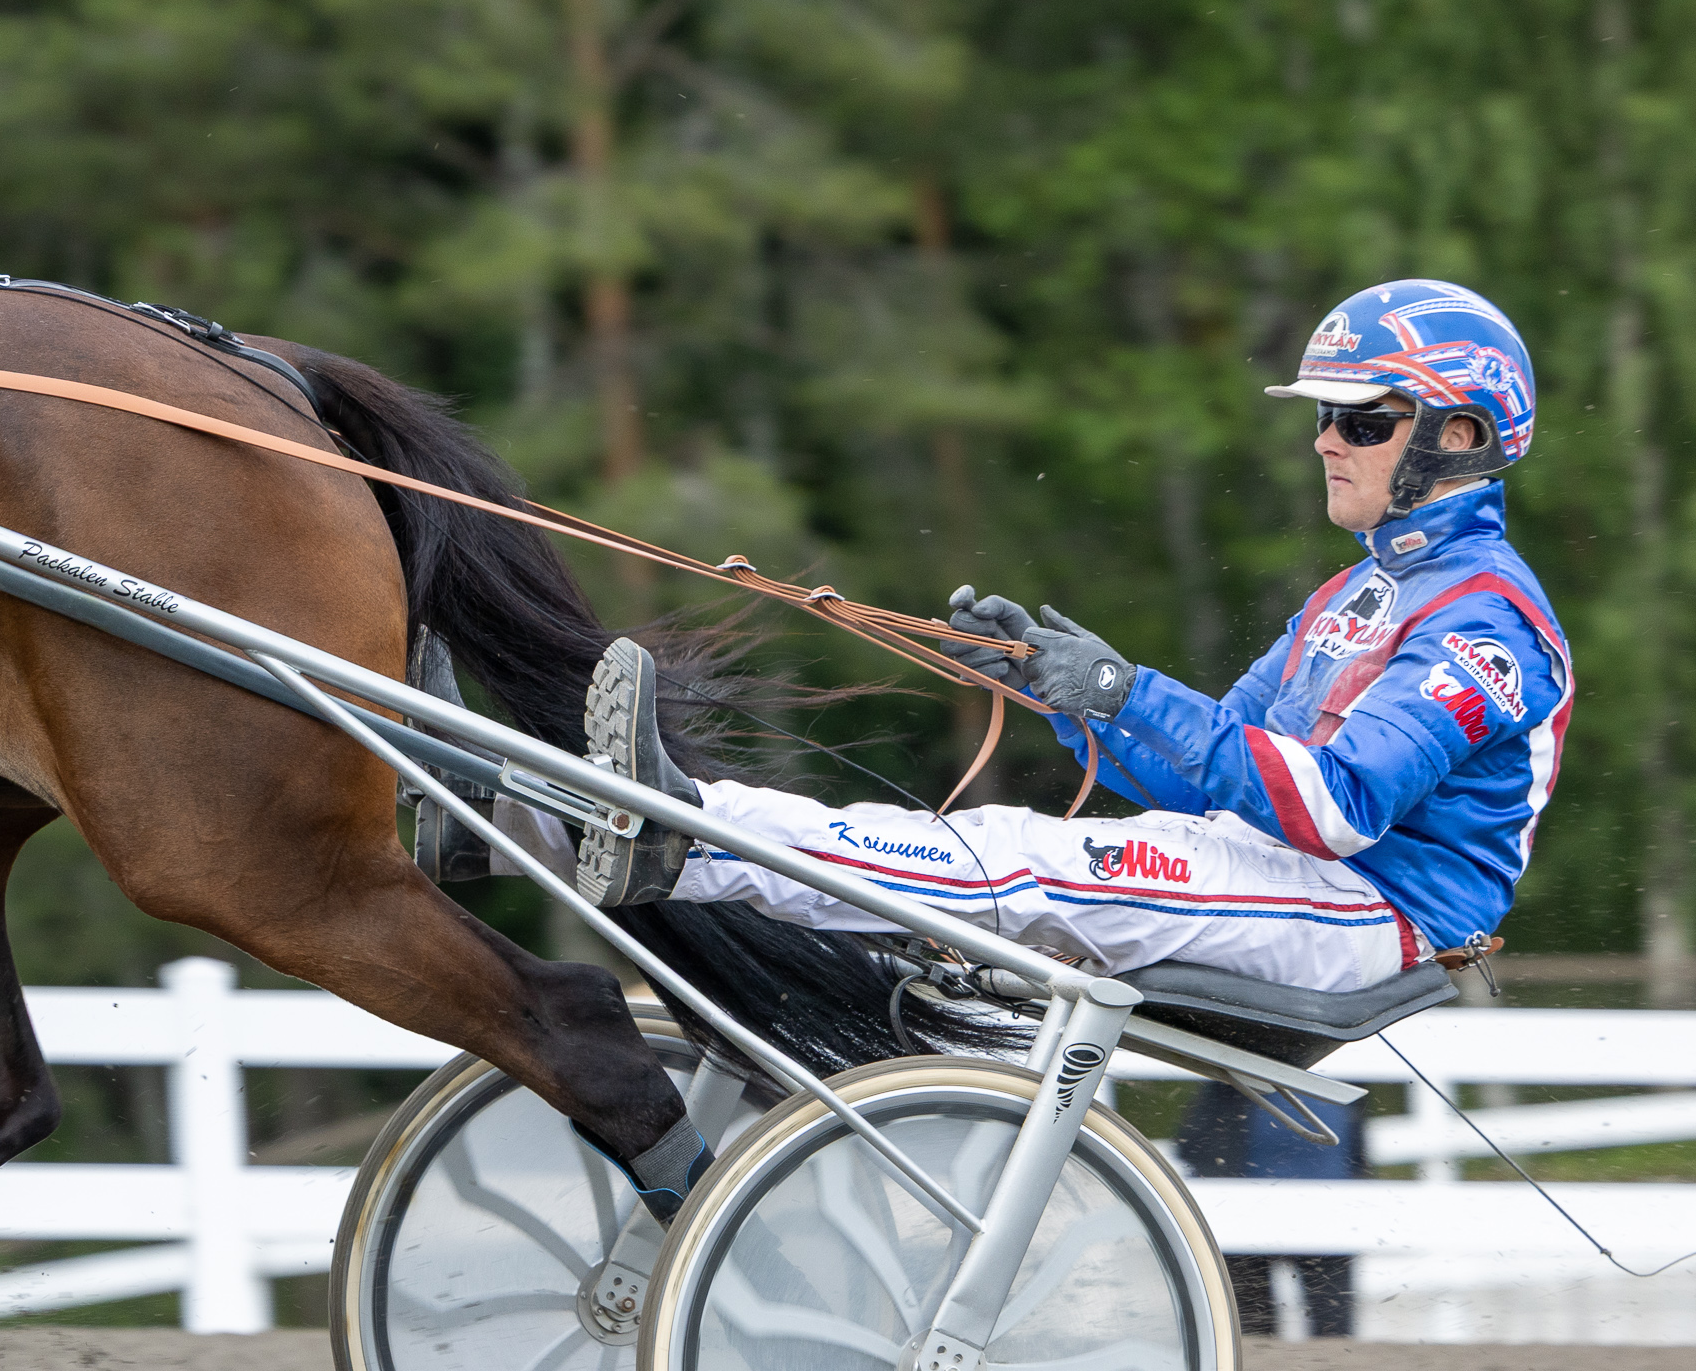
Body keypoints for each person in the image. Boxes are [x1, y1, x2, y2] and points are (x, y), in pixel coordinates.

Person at [571, 279, 1571, 1001]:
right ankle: (648, 818)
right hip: (1284, 870)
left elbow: (1337, 808)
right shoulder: (1357, 592)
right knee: (989, 877)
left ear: (1459, 435)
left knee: (1012, 865)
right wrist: (1063, 696)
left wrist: (1126, 690)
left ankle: (685, 836)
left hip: (1374, 912)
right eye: (1323, 418)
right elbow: (1207, 774)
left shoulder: (1486, 622)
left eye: (1360, 422)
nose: (1323, 440)